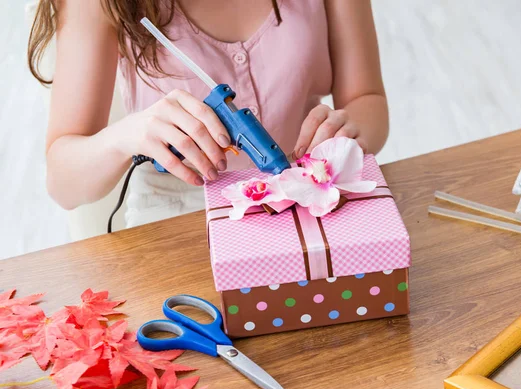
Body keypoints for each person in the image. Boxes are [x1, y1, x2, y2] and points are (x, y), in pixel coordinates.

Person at [28, 0, 388, 228]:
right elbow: (63, 184)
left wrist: (351, 131)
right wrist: (128, 135)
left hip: (306, 205)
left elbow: (366, 100)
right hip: (177, 224)